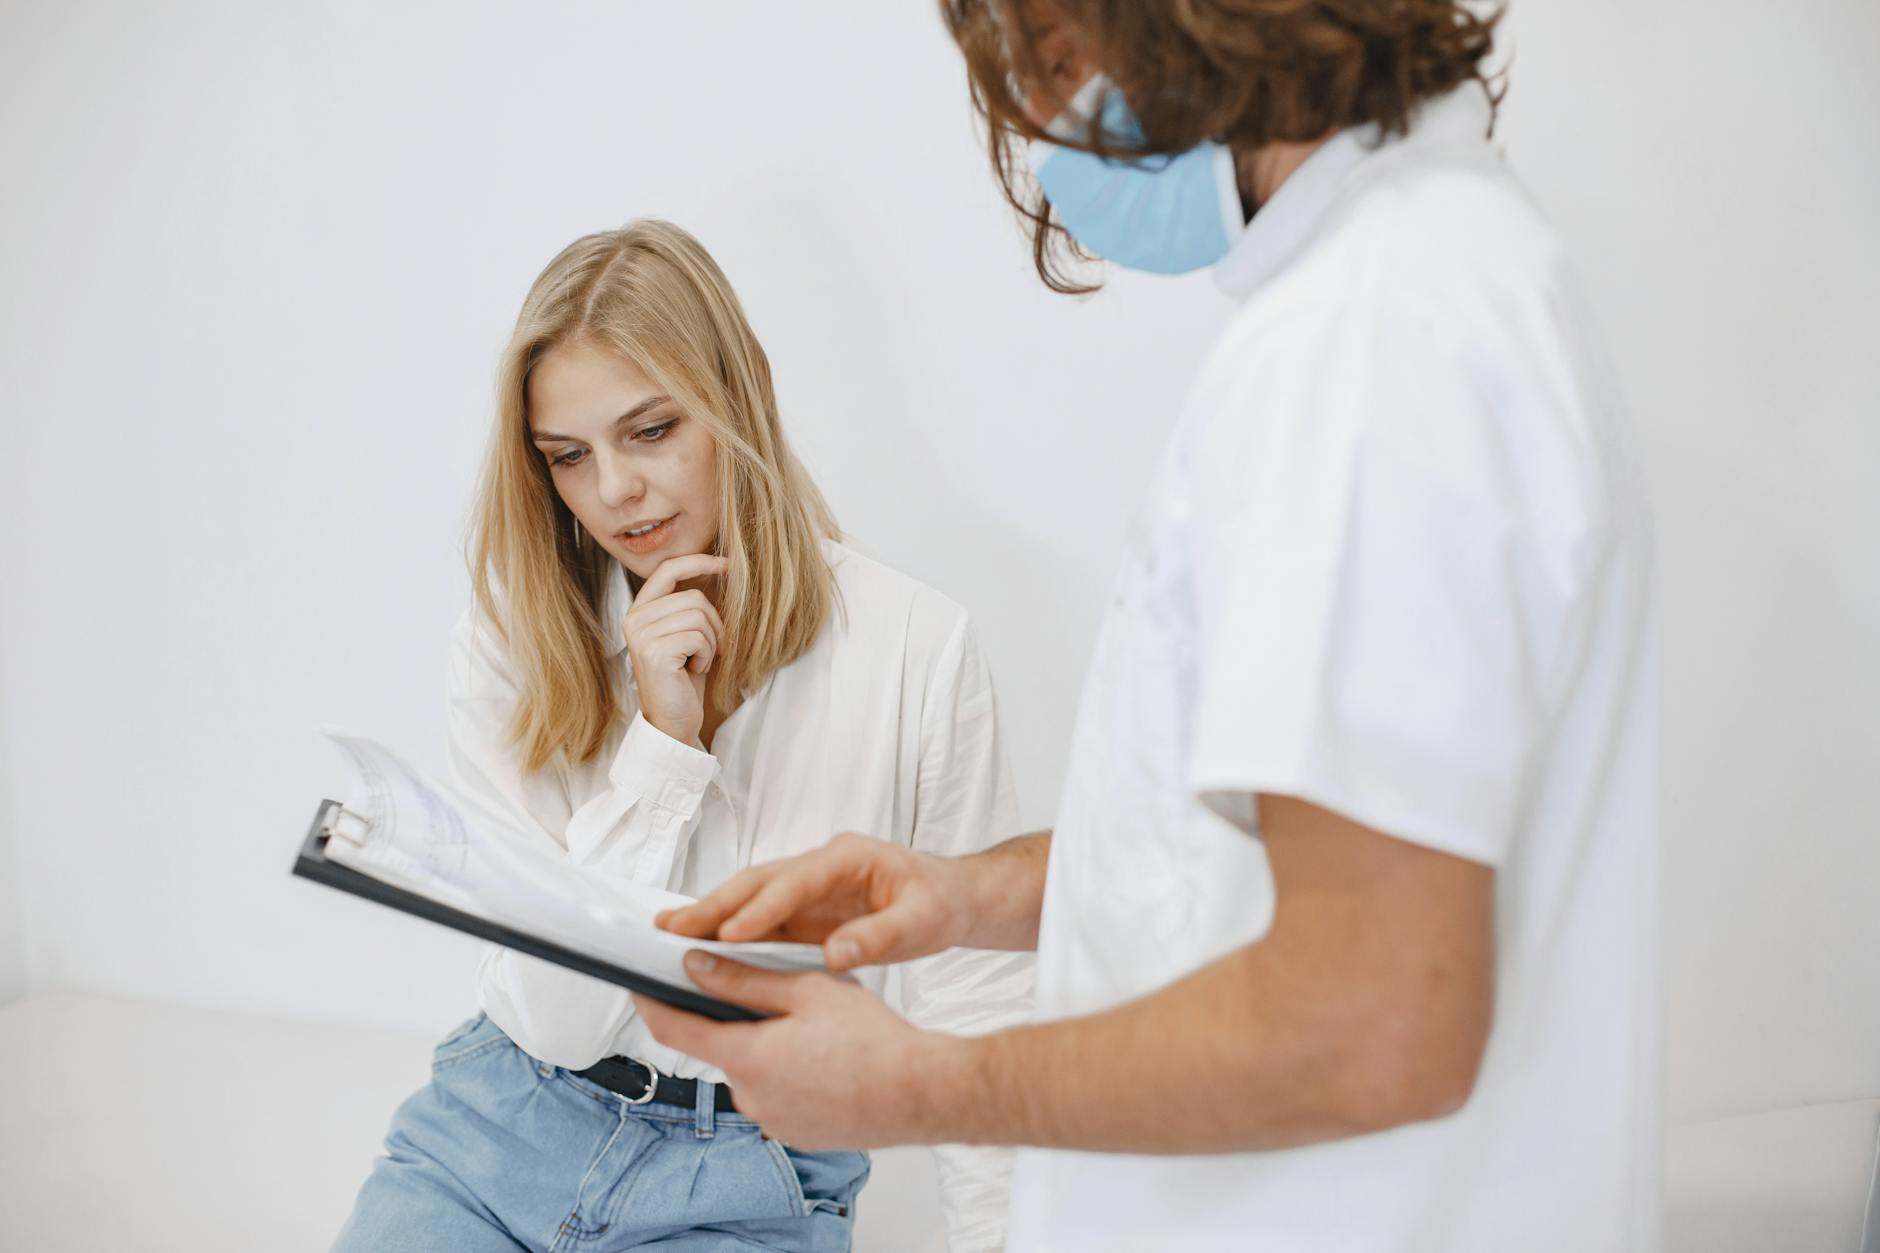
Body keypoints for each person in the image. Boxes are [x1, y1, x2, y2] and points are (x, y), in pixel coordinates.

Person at [642, 3, 1660, 1251]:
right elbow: (1259, 862)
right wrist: (961, 893)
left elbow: (1376, 1015)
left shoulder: (1369, 347)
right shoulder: (1427, 284)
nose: (1056, 124)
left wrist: (917, 1085)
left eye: (1063, 60)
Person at [332, 219, 1033, 1252]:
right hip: (498, 1126)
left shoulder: (913, 647)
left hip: (752, 1170)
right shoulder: (510, 638)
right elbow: (558, 1017)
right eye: (567, 456)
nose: (611, 490)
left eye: (650, 430)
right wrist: (662, 742)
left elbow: (978, 996)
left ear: (738, 390)